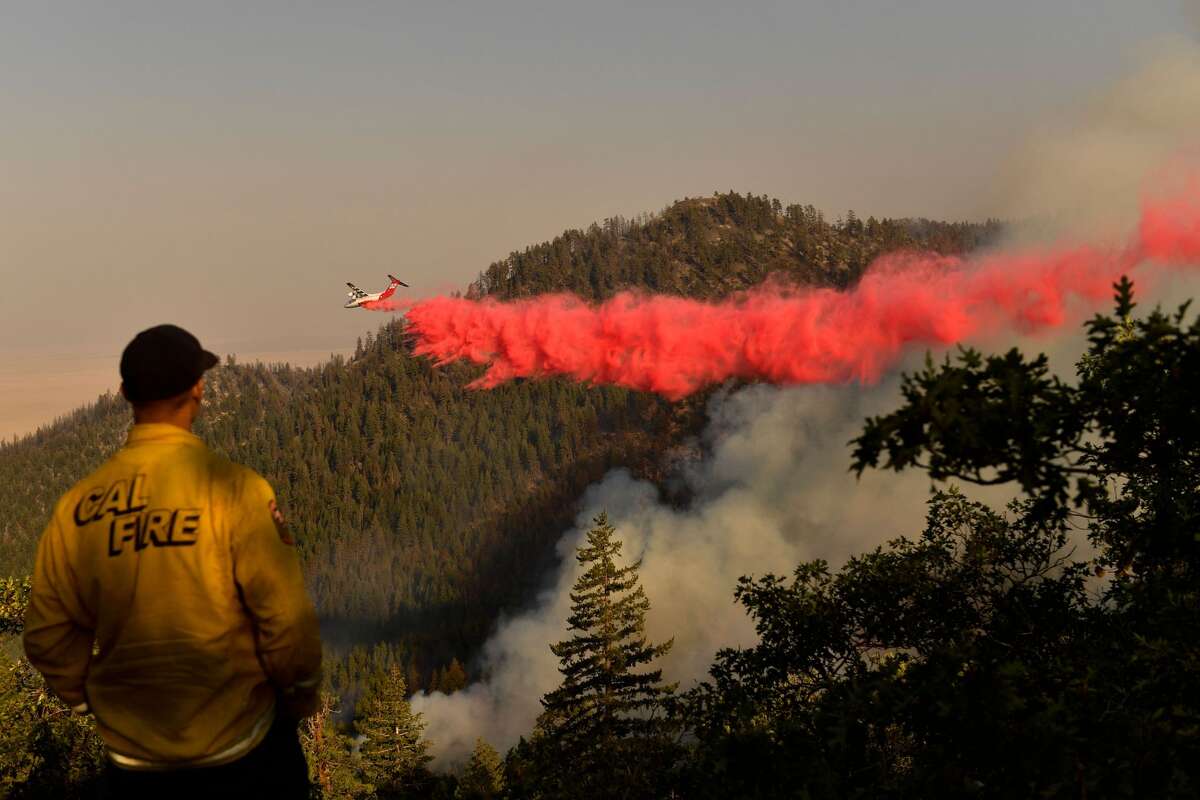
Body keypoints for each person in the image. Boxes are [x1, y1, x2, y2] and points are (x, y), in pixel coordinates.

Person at [23, 324, 323, 797]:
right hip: (243, 749)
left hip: (134, 761)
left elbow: (46, 633)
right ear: (198, 389)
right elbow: (286, 621)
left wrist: (86, 701)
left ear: (125, 393)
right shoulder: (238, 491)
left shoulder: (77, 509)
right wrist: (300, 696)